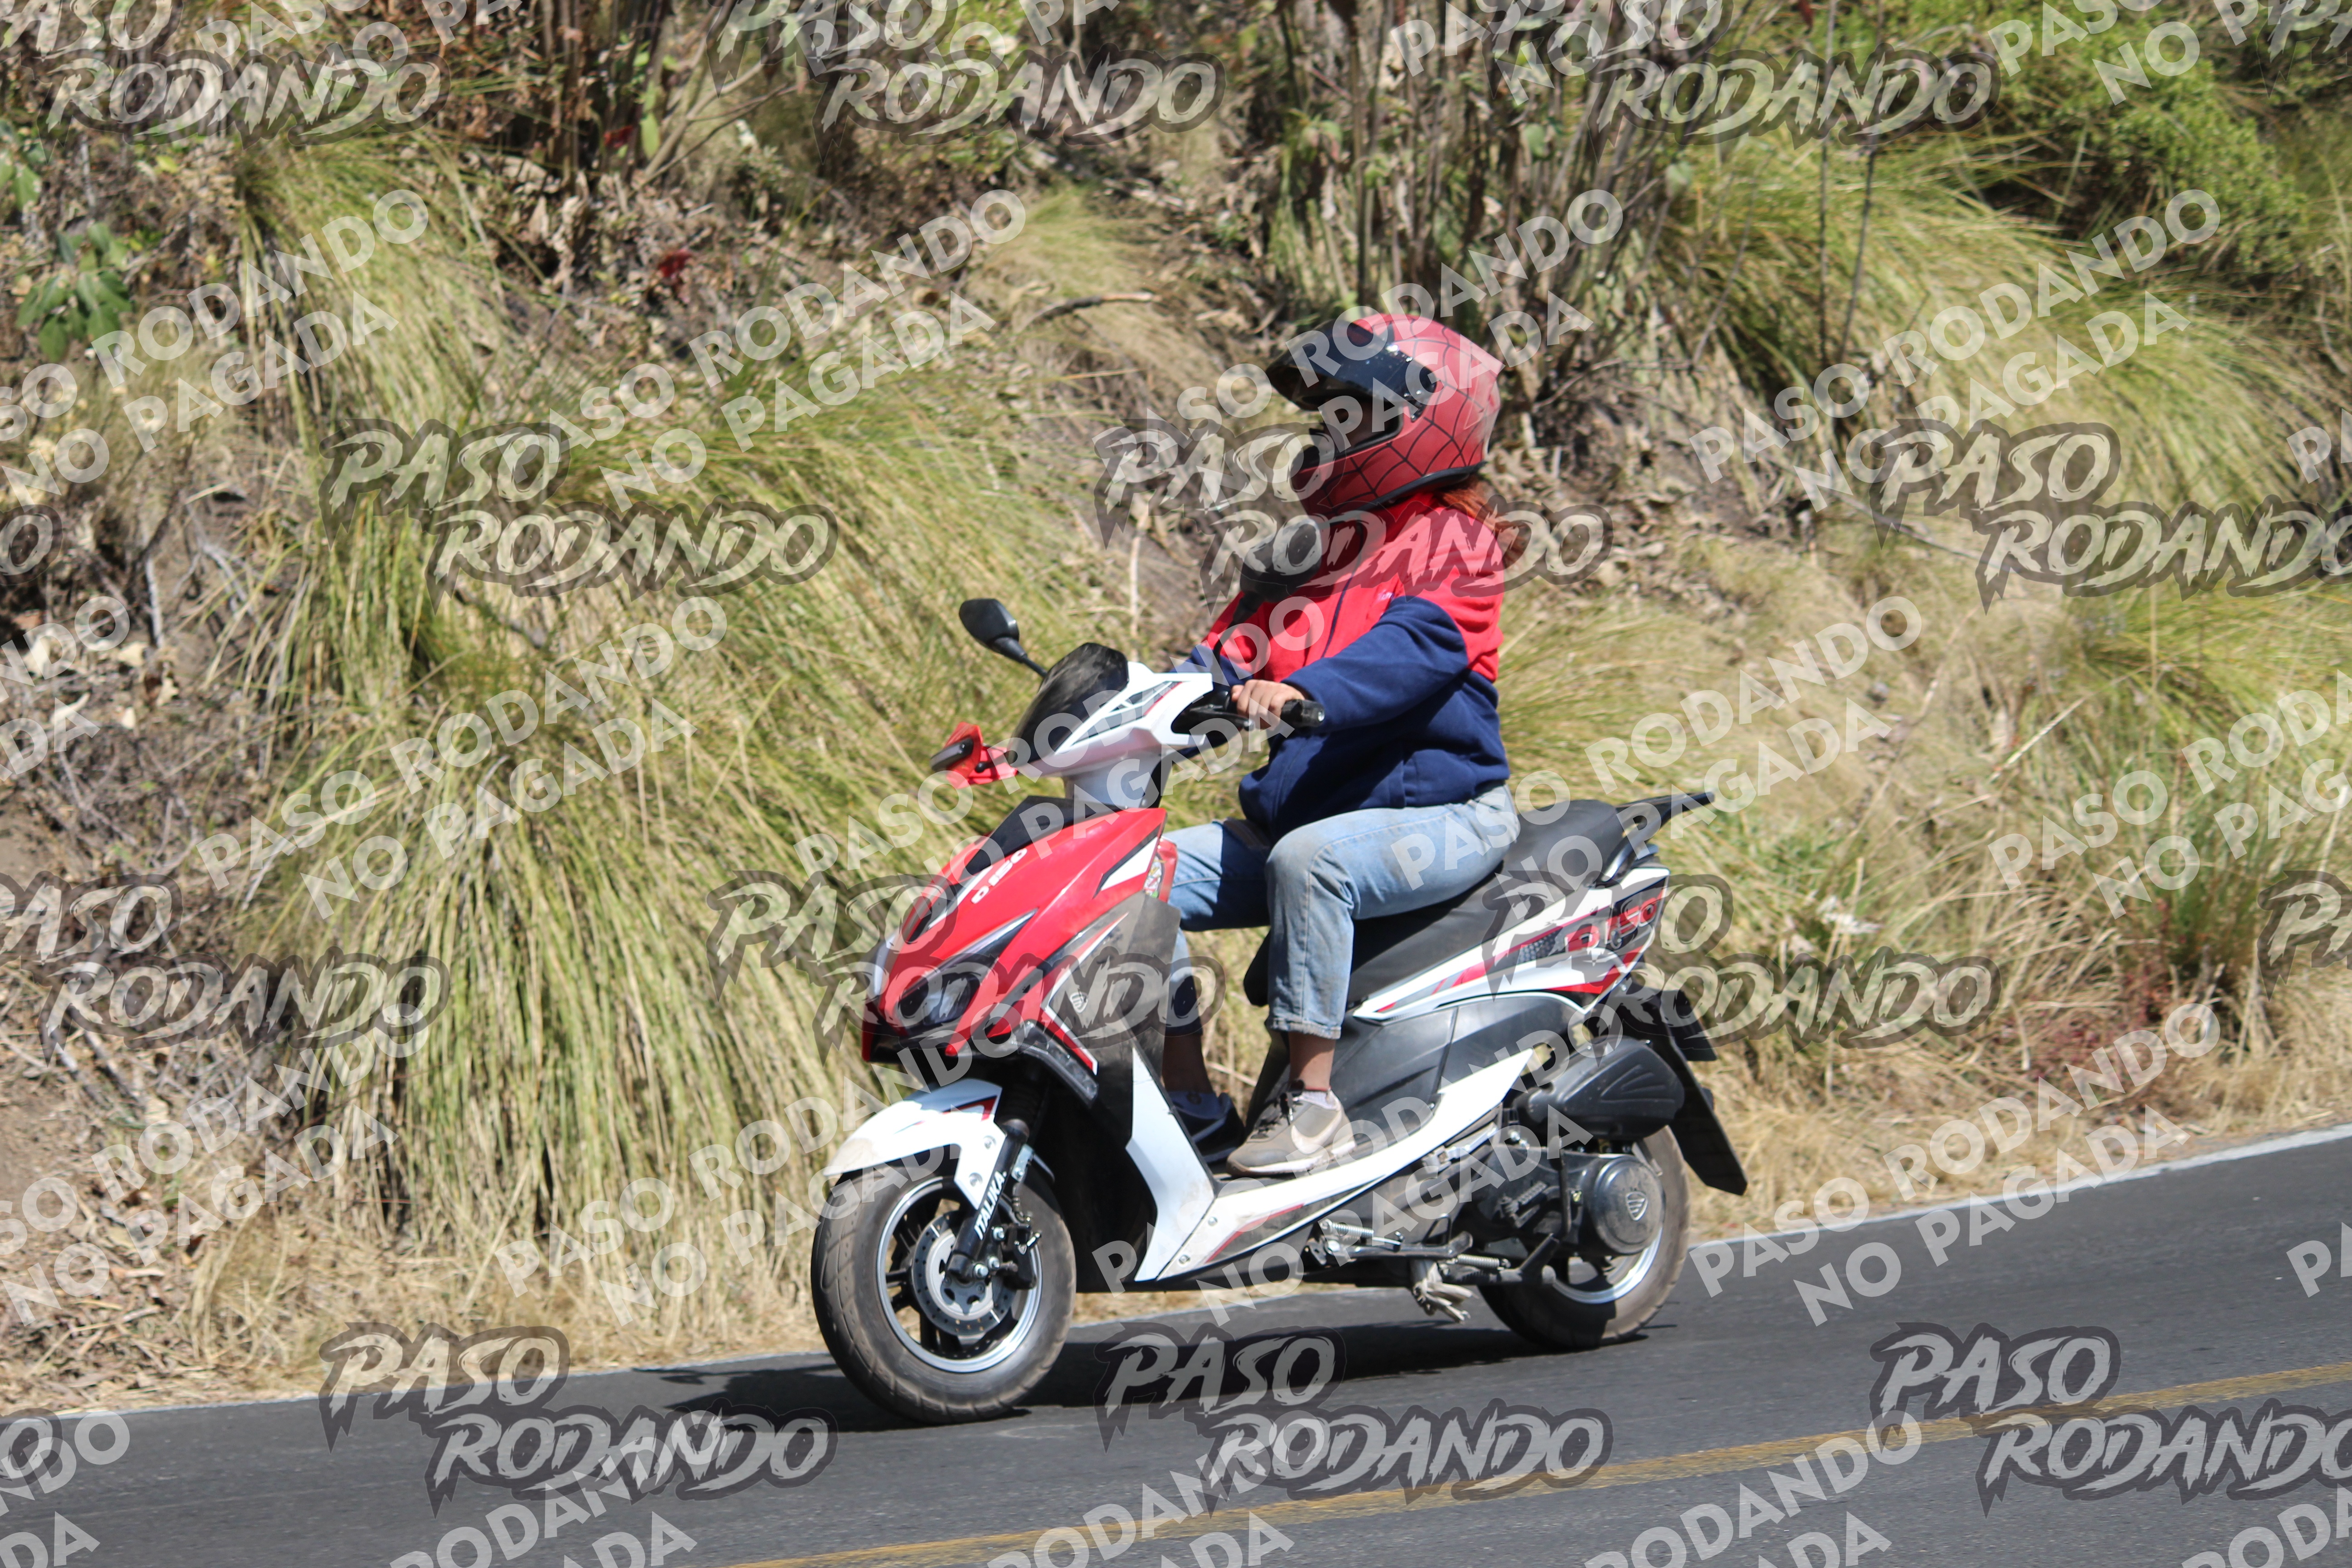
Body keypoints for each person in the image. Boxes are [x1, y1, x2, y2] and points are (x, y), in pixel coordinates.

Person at [1156, 314, 1523, 1177]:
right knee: (1135, 876)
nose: (1332, 435)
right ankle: (1192, 1104)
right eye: (1327, 418)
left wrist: (1304, 691)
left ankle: (1314, 1109)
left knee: (1311, 861)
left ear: (1425, 419)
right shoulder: (1305, 556)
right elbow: (1218, 662)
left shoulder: (1454, 541)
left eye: (1355, 415)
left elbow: (1414, 649)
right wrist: (1090, 726)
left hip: (1446, 813)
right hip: (1318, 808)